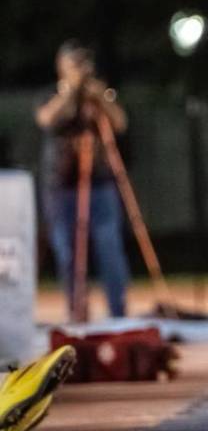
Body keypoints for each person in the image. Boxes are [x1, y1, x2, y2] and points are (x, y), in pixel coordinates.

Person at [34, 42, 130, 319]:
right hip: (60, 185)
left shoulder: (97, 95)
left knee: (109, 246)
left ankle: (118, 310)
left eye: (84, 63)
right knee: (67, 251)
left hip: (99, 182)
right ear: (61, 66)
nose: (80, 69)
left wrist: (99, 97)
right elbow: (47, 119)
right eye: (74, 63)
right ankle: (77, 310)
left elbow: (120, 123)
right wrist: (70, 92)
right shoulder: (51, 94)